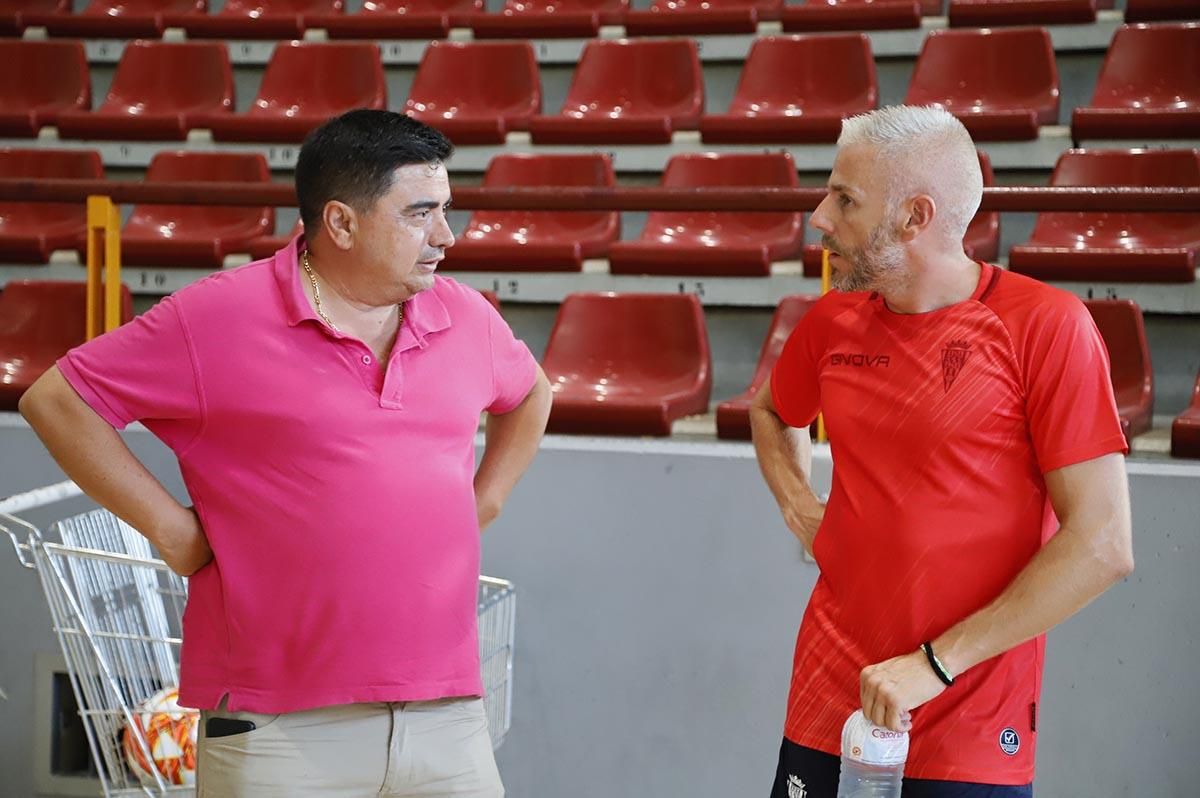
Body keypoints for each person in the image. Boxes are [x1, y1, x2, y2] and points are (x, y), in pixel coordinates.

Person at [19, 109, 552, 797]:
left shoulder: (467, 315)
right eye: (421, 214)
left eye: (447, 211)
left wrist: (486, 498)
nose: (444, 237)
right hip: (279, 729)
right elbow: (59, 400)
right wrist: (171, 531)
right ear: (341, 223)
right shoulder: (216, 318)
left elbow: (530, 392)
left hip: (448, 717)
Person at [751, 105, 1134, 798]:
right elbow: (774, 411)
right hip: (824, 704)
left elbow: (1102, 544)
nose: (819, 218)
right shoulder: (833, 320)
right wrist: (801, 511)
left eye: (844, 199)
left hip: (967, 725)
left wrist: (933, 666)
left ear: (914, 217)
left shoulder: (1044, 328)